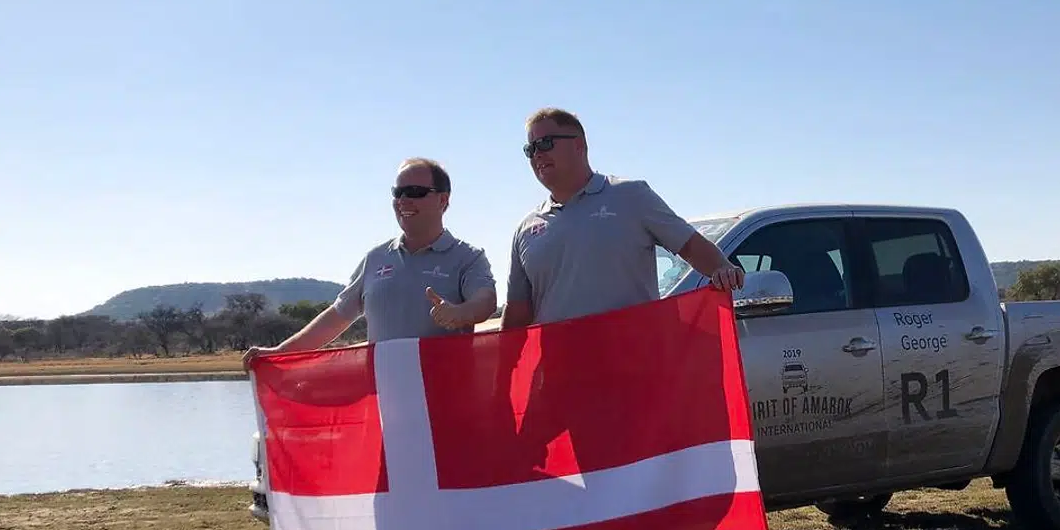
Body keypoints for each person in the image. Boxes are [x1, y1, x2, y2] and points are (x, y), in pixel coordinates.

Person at [500, 107, 743, 329]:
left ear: (579, 145)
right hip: (559, 370)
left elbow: (690, 246)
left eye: (545, 143)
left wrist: (722, 270)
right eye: (530, 149)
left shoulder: (631, 196)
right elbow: (518, 312)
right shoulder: (526, 229)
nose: (537, 155)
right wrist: (501, 370)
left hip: (632, 363)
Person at [242, 158, 496, 368]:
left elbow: (485, 301)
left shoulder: (468, 256)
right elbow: (336, 318)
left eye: (415, 192)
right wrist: (279, 353)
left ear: (443, 200)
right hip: (387, 399)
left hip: (445, 398)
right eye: (398, 193)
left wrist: (460, 314)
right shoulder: (376, 258)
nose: (403, 201)